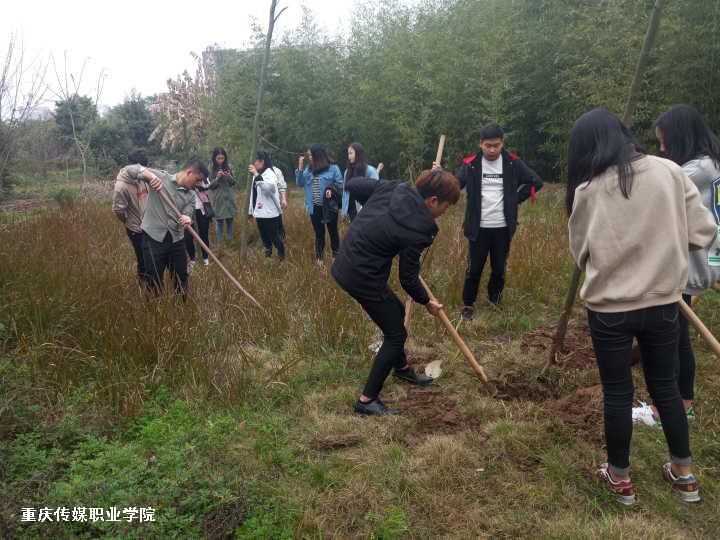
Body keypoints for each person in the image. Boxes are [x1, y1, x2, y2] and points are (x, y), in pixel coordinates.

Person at [566, 108, 716, 506]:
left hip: (608, 309)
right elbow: (702, 232)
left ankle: (621, 479)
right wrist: (664, 246)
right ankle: (684, 476)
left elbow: (580, 254)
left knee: (618, 391)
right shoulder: (670, 172)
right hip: (664, 302)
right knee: (665, 385)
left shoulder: (587, 190)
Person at [331, 170, 460, 416]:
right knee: (396, 334)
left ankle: (400, 369)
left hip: (346, 260)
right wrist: (427, 302)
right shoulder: (421, 229)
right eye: (446, 206)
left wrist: (372, 214)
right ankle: (367, 401)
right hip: (361, 275)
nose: (445, 211)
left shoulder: (393, 187)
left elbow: (354, 184)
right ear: (433, 201)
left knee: (398, 312)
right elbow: (408, 279)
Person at [434, 123, 543, 320]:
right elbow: (455, 185)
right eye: (488, 146)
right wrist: (441, 175)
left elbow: (536, 181)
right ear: (481, 144)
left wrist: (514, 199)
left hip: (503, 228)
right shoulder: (471, 165)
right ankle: (468, 305)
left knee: (499, 268)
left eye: (496, 145)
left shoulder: (512, 163)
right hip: (478, 228)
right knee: (474, 268)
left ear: (502, 143)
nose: (492, 150)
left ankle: (495, 301)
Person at [654, 104, 720, 420]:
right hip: (710, 253)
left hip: (695, 259)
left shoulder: (694, 171)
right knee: (679, 329)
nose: (662, 149)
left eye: (664, 142)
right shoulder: (710, 164)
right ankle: (682, 402)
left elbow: (656, 188)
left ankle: (682, 405)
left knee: (677, 334)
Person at [123, 156, 209, 297]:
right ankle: (156, 311)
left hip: (177, 240)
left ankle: (181, 309)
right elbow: (130, 169)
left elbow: (188, 213)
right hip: (153, 239)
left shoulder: (191, 195)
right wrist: (149, 175)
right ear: (189, 172)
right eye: (197, 179)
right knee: (153, 279)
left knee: (181, 277)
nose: (198, 184)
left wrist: (187, 218)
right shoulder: (161, 177)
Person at [295, 144, 344, 265]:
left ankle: (336, 259)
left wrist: (331, 190)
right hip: (314, 208)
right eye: (308, 155)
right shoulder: (309, 169)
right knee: (319, 234)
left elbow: (340, 184)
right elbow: (300, 183)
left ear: (317, 155)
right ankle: (319, 260)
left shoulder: (333, 168)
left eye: (310, 155)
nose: (309, 157)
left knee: (333, 232)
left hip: (330, 207)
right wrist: (300, 168)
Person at [112, 148, 150, 285]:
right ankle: (144, 286)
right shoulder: (121, 186)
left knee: (153, 258)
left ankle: (153, 283)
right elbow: (118, 210)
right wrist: (129, 222)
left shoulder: (145, 178)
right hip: (136, 229)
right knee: (143, 259)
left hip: (150, 226)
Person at [248, 151, 285, 260]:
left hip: (270, 213)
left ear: (262, 161)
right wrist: (250, 212)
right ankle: (268, 257)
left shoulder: (270, 174)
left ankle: (281, 257)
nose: (253, 163)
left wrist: (256, 174)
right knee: (264, 238)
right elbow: (253, 195)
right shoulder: (257, 175)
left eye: (255, 161)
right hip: (259, 212)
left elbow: (268, 190)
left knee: (274, 237)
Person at [342, 142, 379, 222]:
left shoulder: (370, 170)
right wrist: (344, 211)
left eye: (351, 153)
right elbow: (345, 193)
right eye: (348, 154)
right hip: (351, 210)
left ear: (358, 153)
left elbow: (377, 191)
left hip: (366, 210)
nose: (349, 156)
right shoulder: (347, 172)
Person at [208, 147, 236, 244]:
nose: (220, 160)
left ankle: (230, 240)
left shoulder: (229, 167)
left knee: (230, 220)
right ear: (214, 158)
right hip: (218, 198)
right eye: (218, 158)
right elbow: (210, 186)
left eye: (222, 158)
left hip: (229, 197)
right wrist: (217, 178)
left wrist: (229, 176)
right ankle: (220, 243)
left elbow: (233, 183)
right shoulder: (210, 168)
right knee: (219, 221)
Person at [184, 175, 213, 267]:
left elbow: (208, 189)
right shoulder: (185, 179)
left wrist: (198, 185)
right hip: (188, 211)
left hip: (202, 210)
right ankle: (192, 259)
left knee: (204, 234)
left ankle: (205, 258)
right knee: (188, 236)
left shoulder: (204, 179)